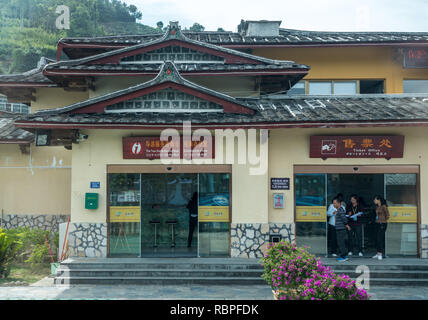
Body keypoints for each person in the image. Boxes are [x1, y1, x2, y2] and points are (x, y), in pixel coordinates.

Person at [332, 197, 351, 262]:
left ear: (339, 203)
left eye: (335, 203)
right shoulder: (339, 210)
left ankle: (344, 256)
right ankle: (344, 256)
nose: (333, 204)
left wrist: (346, 225)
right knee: (340, 243)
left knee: (341, 243)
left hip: (341, 229)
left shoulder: (340, 210)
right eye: (333, 203)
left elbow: (344, 219)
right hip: (339, 228)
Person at [373, 195, 390, 260]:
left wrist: (382, 220)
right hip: (377, 224)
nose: (374, 201)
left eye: (375, 199)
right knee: (377, 239)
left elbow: (388, 215)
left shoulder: (384, 206)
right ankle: (378, 253)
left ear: (378, 200)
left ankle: (380, 254)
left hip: (382, 224)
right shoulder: (377, 207)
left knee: (380, 239)